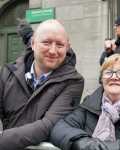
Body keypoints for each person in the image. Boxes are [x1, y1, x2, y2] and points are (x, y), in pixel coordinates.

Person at [0, 19, 84, 150]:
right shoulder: (7, 73)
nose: (52, 50)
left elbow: (47, 126)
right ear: (32, 43)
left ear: (67, 47)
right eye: (46, 42)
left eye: (60, 45)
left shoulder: (73, 81)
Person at [50, 53, 120, 150]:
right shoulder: (89, 105)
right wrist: (84, 143)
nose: (114, 77)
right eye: (108, 72)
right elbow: (59, 129)